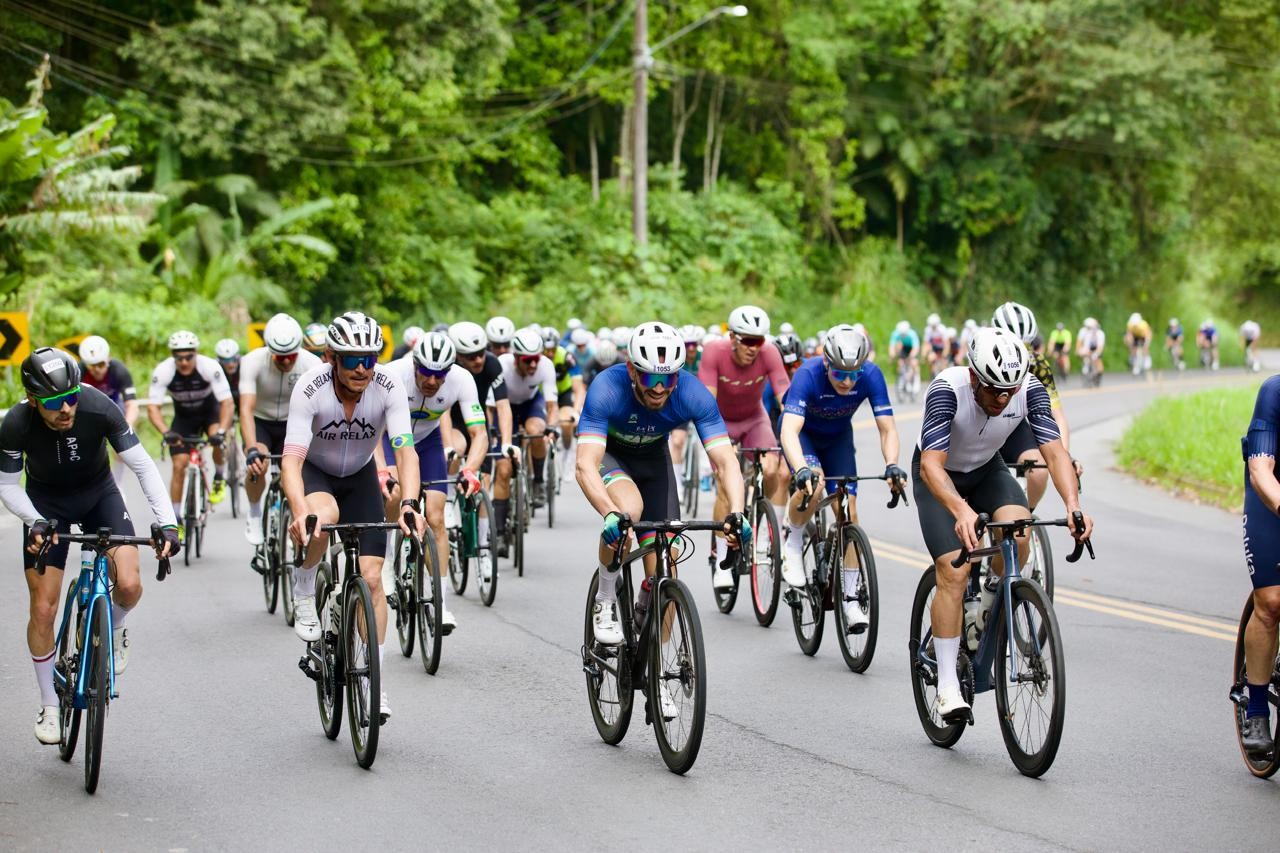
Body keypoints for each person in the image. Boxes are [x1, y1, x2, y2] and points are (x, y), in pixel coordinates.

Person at [0, 348, 178, 744]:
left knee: (130, 585)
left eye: (71, 397)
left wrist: (167, 523)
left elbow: (144, 465)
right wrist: (35, 522)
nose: (66, 408)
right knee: (43, 608)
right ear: (32, 400)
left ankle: (114, 625)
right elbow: (7, 485)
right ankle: (49, 703)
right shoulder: (16, 423)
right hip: (46, 506)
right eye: (53, 402)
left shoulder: (98, 407)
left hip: (100, 496)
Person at [914, 327, 1092, 720]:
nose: (1002, 398)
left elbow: (1055, 452)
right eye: (994, 389)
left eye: (1009, 391)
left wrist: (1073, 504)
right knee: (954, 572)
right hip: (940, 477)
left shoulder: (1027, 389)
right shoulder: (947, 389)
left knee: (1020, 531)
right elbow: (931, 464)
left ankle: (989, 605)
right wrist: (960, 510)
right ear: (974, 377)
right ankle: (946, 685)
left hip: (986, 470)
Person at [575, 321, 749, 717]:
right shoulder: (607, 387)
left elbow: (725, 461)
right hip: (611, 458)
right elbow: (585, 466)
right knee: (628, 512)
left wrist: (736, 513)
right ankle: (606, 594)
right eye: (651, 376)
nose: (658, 388)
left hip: (654, 462)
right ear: (633, 370)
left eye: (668, 378)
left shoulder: (691, 392)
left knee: (666, 566)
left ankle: (654, 673)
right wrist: (608, 514)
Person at [282, 312, 425, 721]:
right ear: (331, 358)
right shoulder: (310, 389)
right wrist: (299, 512)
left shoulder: (388, 387)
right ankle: (305, 586)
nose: (362, 368)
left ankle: (372, 680)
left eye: (370, 358)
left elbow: (405, 452)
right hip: (317, 471)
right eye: (352, 359)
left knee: (374, 578)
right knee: (322, 518)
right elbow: (291, 463)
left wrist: (410, 504)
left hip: (360, 474)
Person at [778, 326, 905, 630]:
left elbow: (887, 428)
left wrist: (891, 465)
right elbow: (789, 431)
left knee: (849, 512)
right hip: (804, 435)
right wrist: (801, 469)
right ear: (826, 364)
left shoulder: (872, 376)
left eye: (854, 374)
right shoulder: (807, 375)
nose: (847, 381)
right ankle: (793, 541)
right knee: (814, 484)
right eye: (839, 374)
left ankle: (850, 598)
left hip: (838, 440)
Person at [375, 332, 488, 631]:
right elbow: (370, 424)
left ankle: (441, 604)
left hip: (427, 441)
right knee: (395, 493)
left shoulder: (462, 380)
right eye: (426, 373)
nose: (432, 381)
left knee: (437, 516)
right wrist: (381, 471)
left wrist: (470, 470)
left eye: (440, 375)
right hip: (389, 439)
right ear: (414, 363)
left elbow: (479, 434)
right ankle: (387, 562)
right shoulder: (392, 375)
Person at [698, 305, 791, 588]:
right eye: (748, 341)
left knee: (773, 468)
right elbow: (706, 404)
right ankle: (722, 558)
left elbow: (785, 397)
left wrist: (794, 429)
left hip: (754, 420)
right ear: (733, 338)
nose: (755, 347)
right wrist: (723, 452)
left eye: (759, 340)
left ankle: (764, 530)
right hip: (720, 422)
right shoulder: (714, 352)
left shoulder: (769, 353)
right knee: (727, 485)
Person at [239, 313, 322, 545]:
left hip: (292, 423)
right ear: (268, 350)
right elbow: (245, 409)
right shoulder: (251, 361)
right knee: (257, 465)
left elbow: (318, 411)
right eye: (279, 357)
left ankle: (293, 517)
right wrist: (252, 449)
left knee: (294, 472)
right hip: (261, 421)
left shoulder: (312, 364)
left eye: (291, 356)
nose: (286, 361)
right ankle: (255, 513)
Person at [991, 302, 1082, 510]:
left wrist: (1065, 456)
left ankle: (1024, 517)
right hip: (980, 428)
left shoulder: (1038, 364)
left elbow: (1056, 415)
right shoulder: (983, 358)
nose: (1022, 355)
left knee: (1039, 471)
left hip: (1013, 427)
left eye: (1027, 346)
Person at [447, 321, 518, 555]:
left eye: (480, 353)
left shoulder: (492, 364)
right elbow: (443, 412)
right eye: (470, 356)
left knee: (484, 483)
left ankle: (485, 546)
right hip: (453, 420)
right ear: (458, 356)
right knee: (455, 450)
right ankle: (449, 502)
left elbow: (503, 405)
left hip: (477, 422)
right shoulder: (448, 368)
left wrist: (507, 442)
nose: (478, 360)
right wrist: (447, 444)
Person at [148, 331, 234, 522]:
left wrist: (221, 432)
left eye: (188, 357)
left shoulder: (210, 367)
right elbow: (153, 408)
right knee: (179, 465)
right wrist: (166, 432)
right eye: (179, 358)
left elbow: (227, 403)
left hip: (209, 413)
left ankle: (219, 477)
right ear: (173, 357)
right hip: (184, 418)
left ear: (196, 353)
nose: (184, 362)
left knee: (218, 442)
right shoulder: (164, 371)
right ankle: (175, 520)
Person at [1240, 374, 1280, 757]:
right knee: (1270, 602)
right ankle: (1255, 709)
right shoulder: (1275, 392)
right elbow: (1262, 469)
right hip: (1273, 496)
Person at [499, 329, 559, 512]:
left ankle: (538, 480)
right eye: (527, 360)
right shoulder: (502, 365)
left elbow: (552, 405)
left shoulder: (546, 365)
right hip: (505, 404)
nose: (533, 364)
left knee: (536, 432)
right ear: (516, 357)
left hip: (531, 402)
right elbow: (493, 407)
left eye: (536, 359)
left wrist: (551, 427)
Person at [78, 334, 139, 483]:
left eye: (100, 365)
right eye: (92, 366)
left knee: (121, 446)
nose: (97, 370)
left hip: (113, 405)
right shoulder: (78, 372)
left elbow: (132, 405)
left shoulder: (119, 370)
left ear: (108, 360)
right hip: (88, 408)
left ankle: (117, 484)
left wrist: (127, 426)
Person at [543, 325, 585, 450]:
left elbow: (579, 389)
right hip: (542, 395)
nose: (550, 354)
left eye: (553, 350)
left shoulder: (567, 357)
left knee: (566, 421)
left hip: (563, 393)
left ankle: (566, 450)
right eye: (546, 350)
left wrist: (576, 412)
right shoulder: (535, 359)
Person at [889, 320, 921, 392]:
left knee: (913, 363)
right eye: (901, 334)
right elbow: (892, 346)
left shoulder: (912, 334)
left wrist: (911, 356)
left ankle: (916, 380)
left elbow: (915, 348)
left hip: (912, 348)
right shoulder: (895, 333)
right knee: (900, 362)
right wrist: (892, 355)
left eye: (904, 334)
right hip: (903, 348)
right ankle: (902, 379)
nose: (902, 335)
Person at [923, 313, 950, 378]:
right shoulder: (928, 329)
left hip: (942, 347)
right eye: (932, 326)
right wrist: (924, 354)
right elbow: (926, 343)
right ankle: (932, 375)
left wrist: (944, 355)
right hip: (934, 348)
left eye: (934, 326)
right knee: (930, 358)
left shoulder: (942, 329)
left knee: (943, 364)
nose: (933, 327)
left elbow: (947, 344)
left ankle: (945, 377)